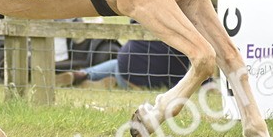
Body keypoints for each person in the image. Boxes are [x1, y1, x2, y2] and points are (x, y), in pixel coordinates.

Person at [60, 39, 190, 89]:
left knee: (116, 65)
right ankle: (97, 83)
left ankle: (84, 74)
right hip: (140, 79)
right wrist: (208, 83)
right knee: (120, 69)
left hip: (126, 60)